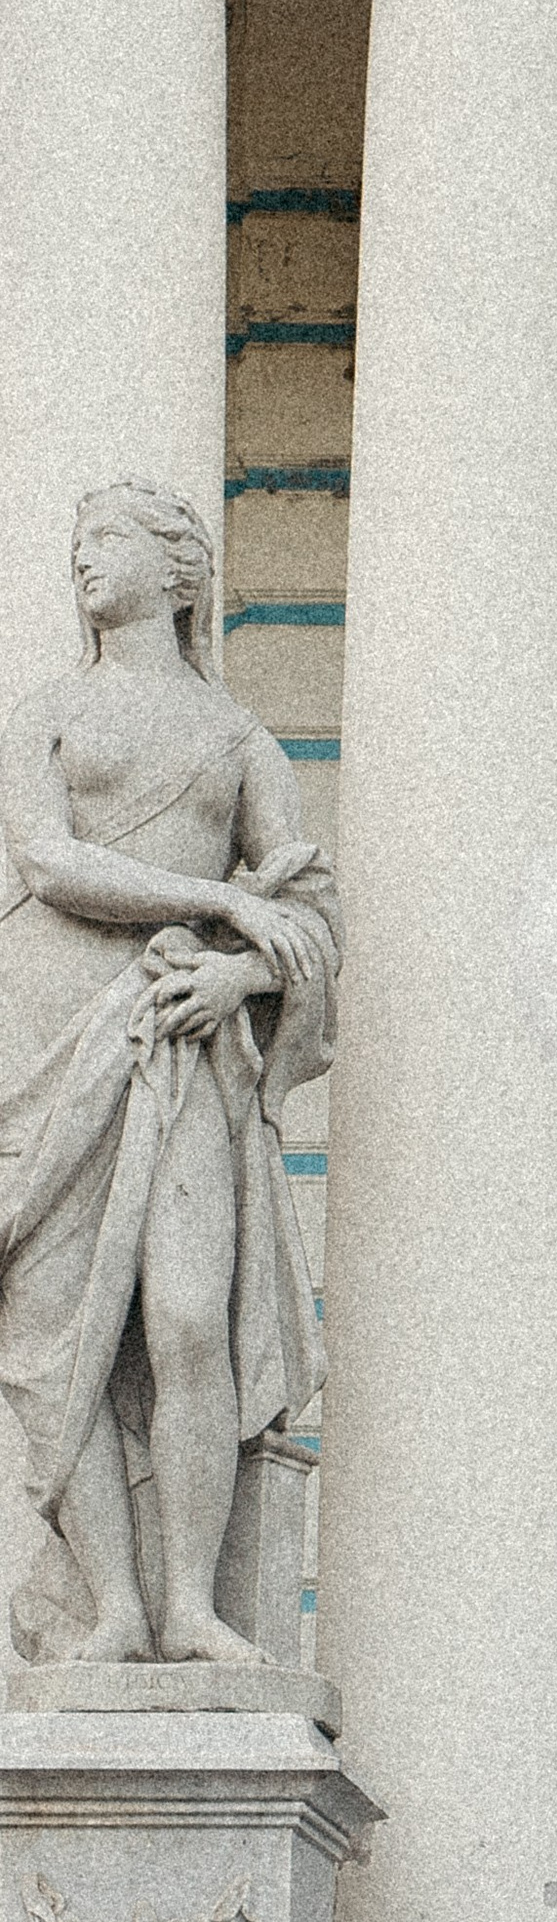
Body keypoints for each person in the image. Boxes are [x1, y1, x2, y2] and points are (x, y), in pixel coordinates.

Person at [0, 481, 338, 1667]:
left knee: (189, 1318)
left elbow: (308, 913)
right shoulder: (43, 714)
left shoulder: (239, 739)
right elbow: (44, 860)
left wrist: (240, 980)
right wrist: (216, 898)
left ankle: (193, 1603)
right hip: (48, 1049)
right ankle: (115, 1611)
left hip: (184, 1042)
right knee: (62, 1342)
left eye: (109, 540)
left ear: (180, 571)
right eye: (78, 541)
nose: (84, 560)